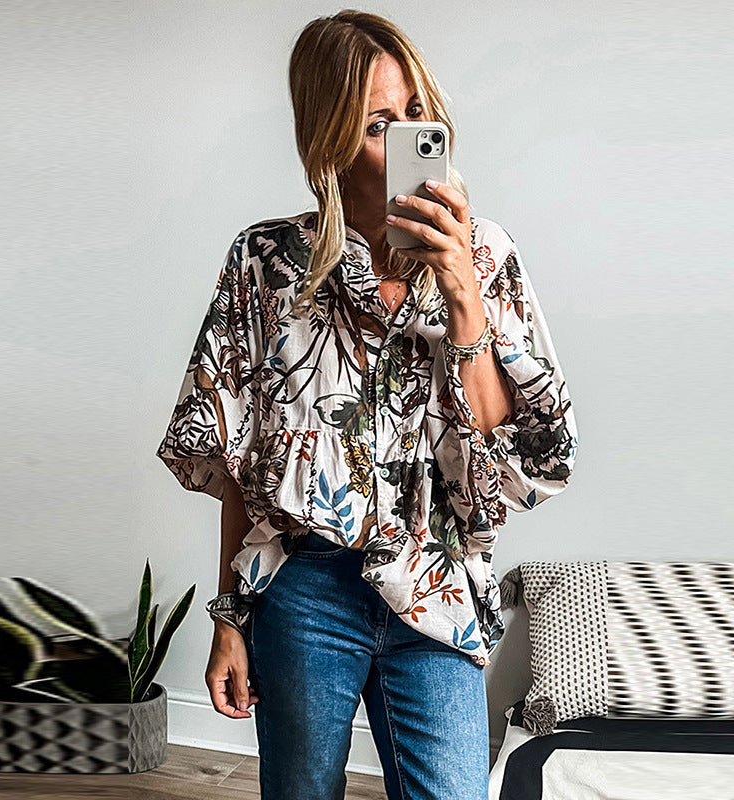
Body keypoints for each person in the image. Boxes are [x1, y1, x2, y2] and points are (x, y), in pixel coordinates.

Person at [155, 10, 579, 800]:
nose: (412, 137)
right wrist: (230, 618)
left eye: (417, 111)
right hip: (303, 587)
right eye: (379, 123)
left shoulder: (486, 255)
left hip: (438, 581)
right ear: (330, 141)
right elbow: (240, 462)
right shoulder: (266, 263)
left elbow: (509, 458)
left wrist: (463, 297)